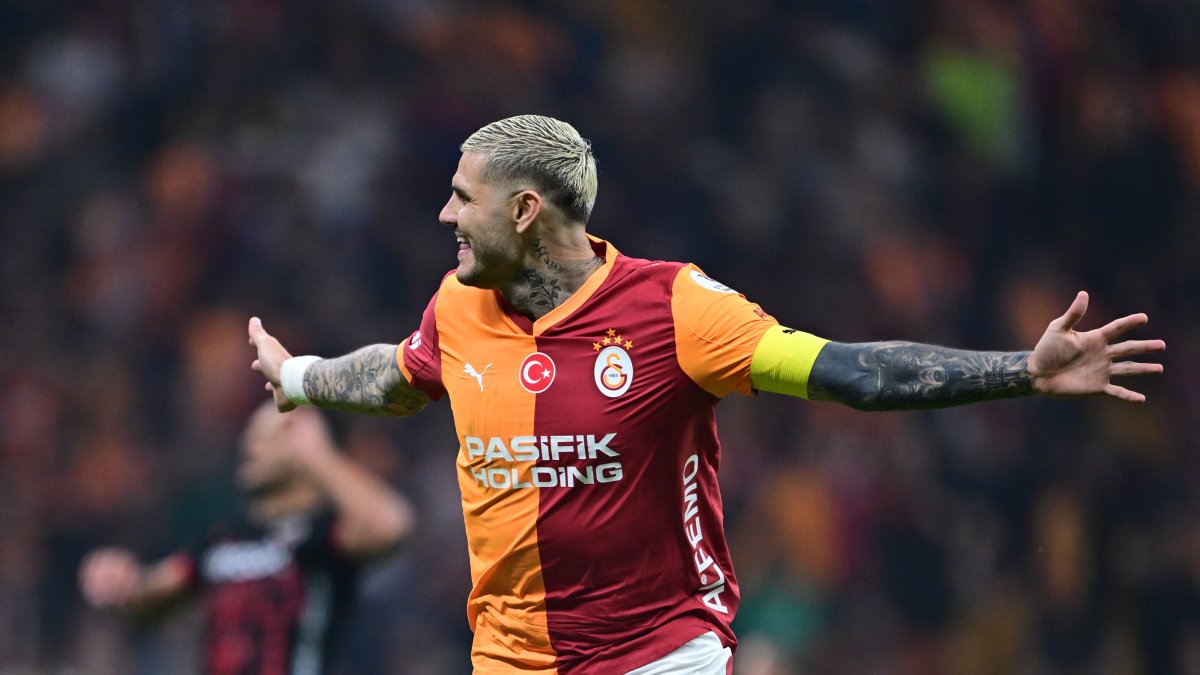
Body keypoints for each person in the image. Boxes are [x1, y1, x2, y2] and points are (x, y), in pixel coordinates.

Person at [245, 115, 1164, 674]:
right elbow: (401, 376)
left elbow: (851, 371)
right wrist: (295, 379)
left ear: (525, 211)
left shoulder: (676, 306)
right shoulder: (459, 304)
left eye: (461, 197)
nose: (445, 215)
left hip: (659, 654)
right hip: (509, 659)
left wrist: (1022, 369)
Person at [79, 401, 414, 675]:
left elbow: (391, 526)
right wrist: (123, 584)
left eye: (271, 435)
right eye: (252, 434)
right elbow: (152, 600)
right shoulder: (223, 538)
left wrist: (319, 456)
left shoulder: (324, 536)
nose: (251, 443)